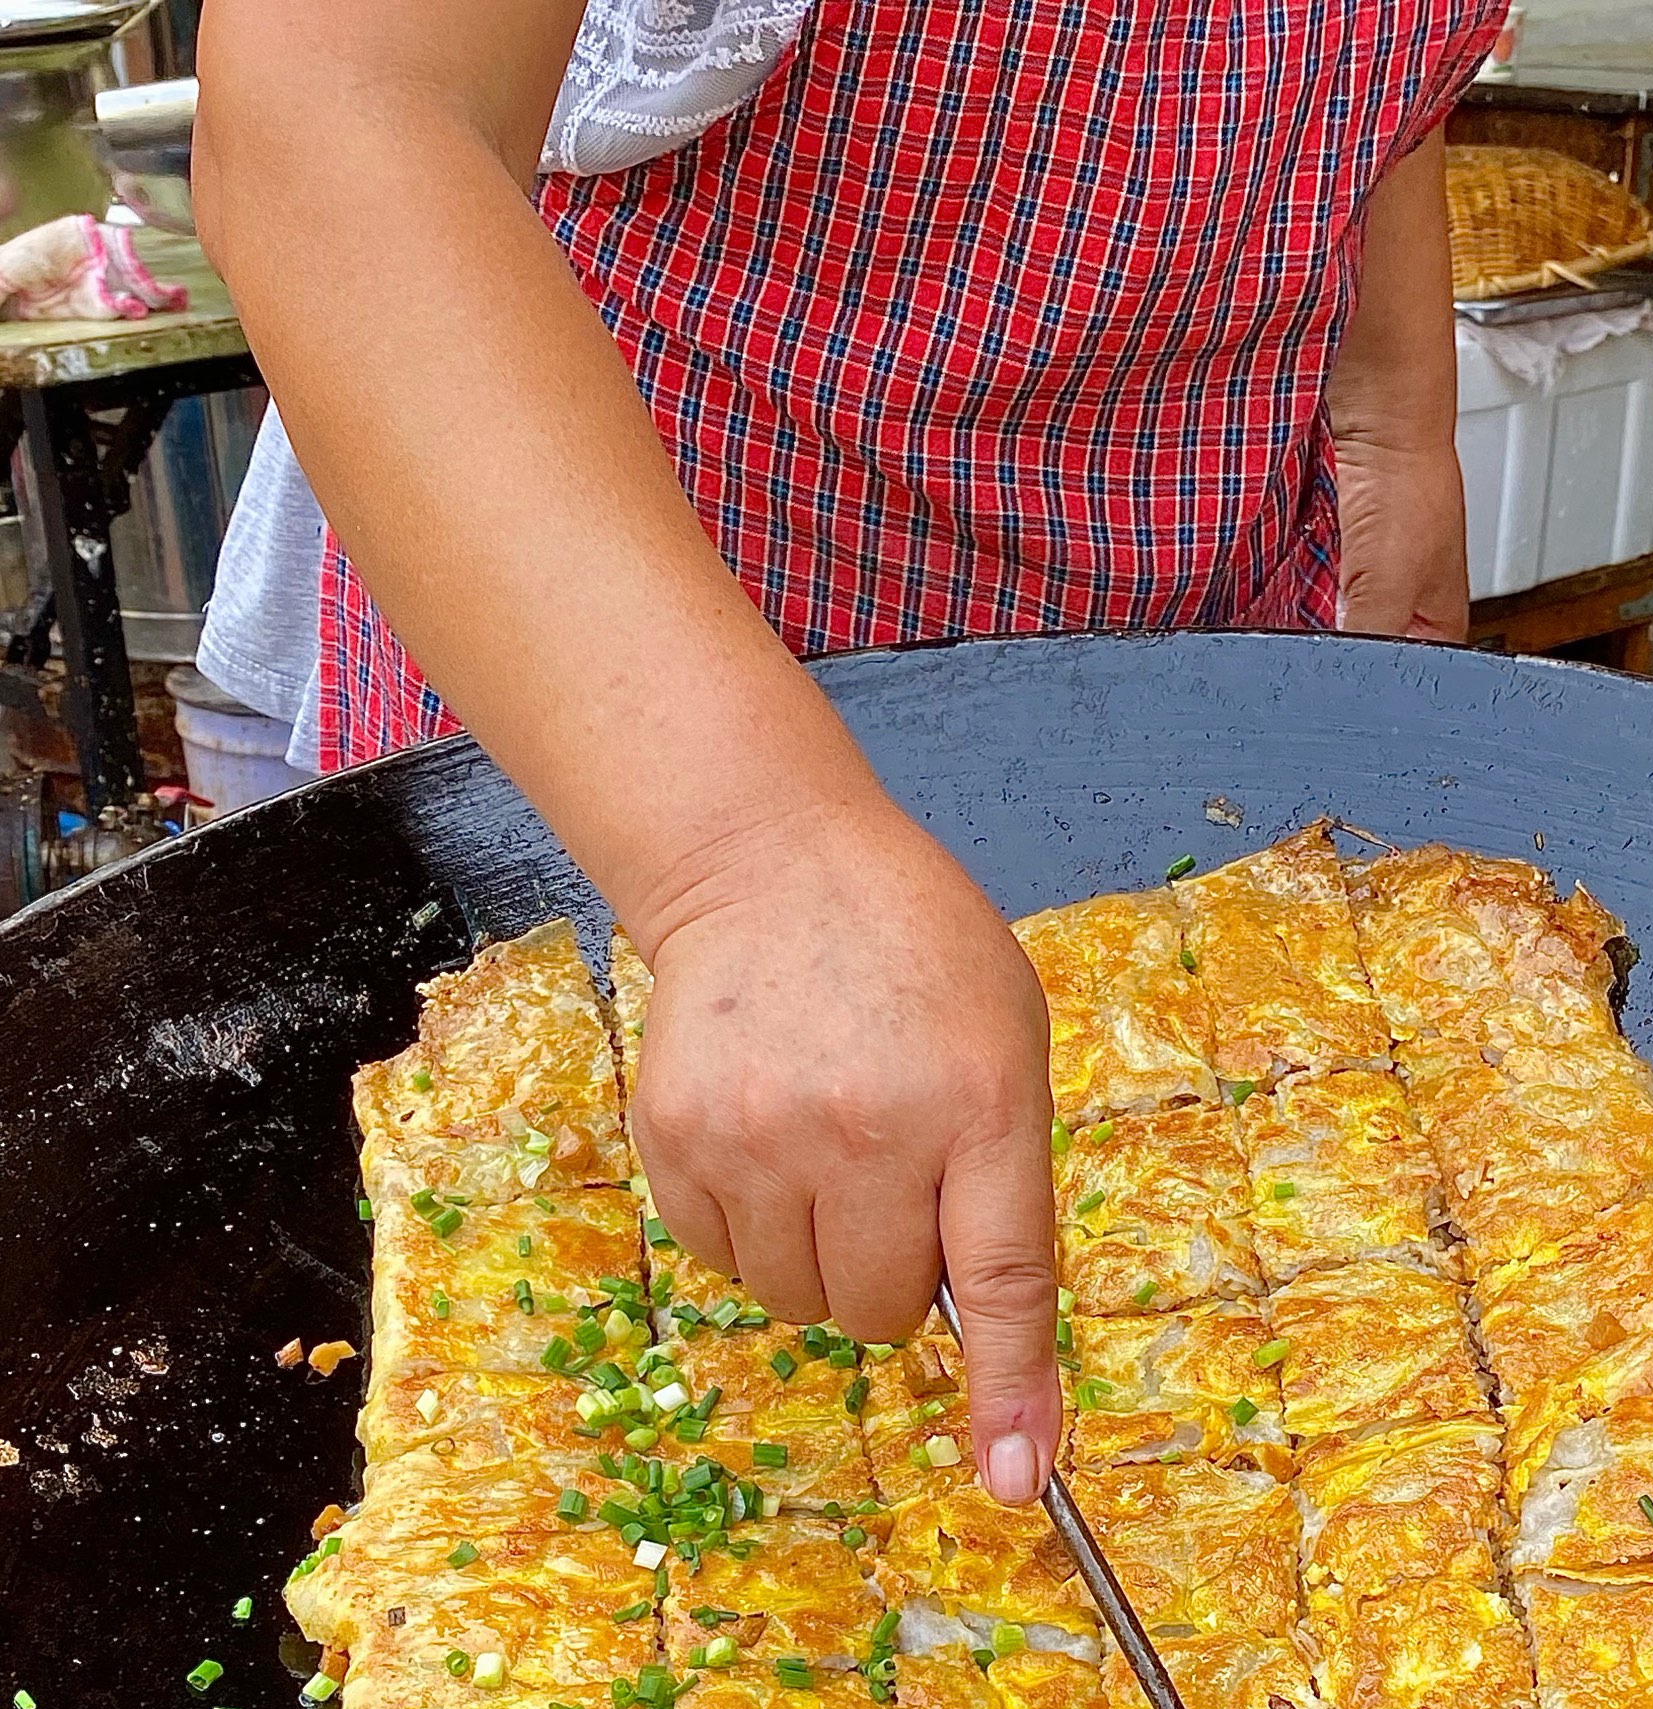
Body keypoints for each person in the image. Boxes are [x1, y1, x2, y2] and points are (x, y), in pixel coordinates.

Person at [193, 0, 1496, 1507]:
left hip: (1194, 723)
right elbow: (329, 106)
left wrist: (1398, 431)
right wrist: (744, 863)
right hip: (645, 759)